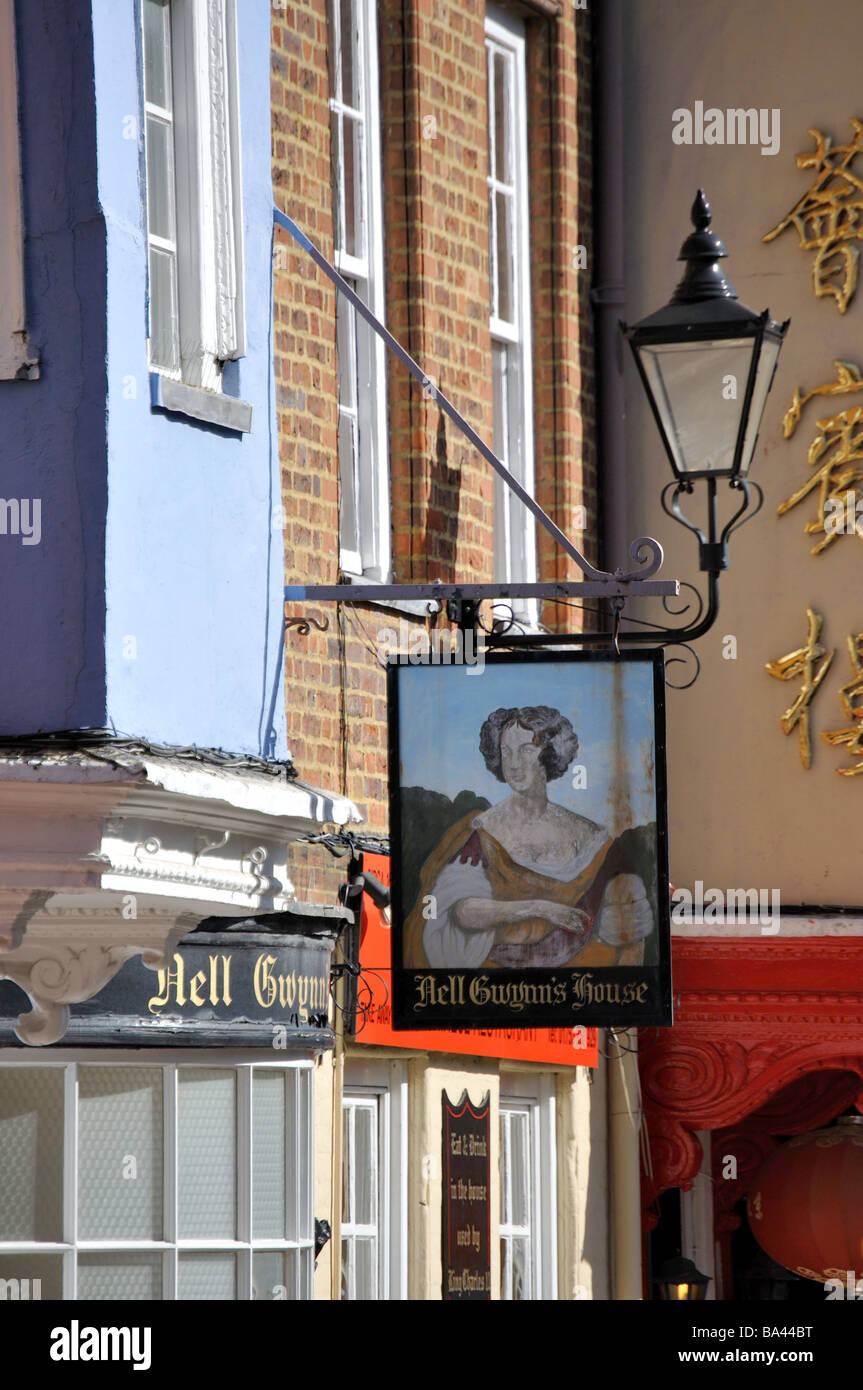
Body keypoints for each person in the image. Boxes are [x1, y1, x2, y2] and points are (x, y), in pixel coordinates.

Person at [403, 705, 655, 969]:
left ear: (548, 753)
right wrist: (543, 908)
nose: (513, 764)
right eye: (506, 752)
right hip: (495, 986)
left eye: (525, 750)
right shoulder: (482, 833)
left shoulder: (591, 839)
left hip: (580, 984)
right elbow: (461, 911)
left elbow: (629, 924)